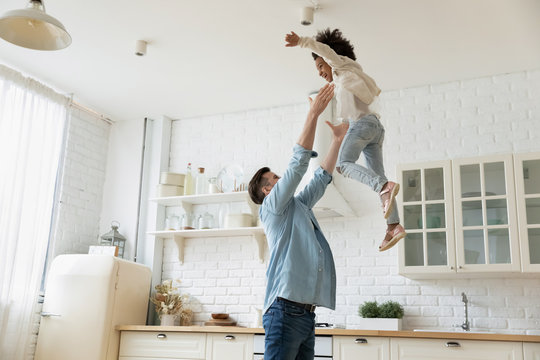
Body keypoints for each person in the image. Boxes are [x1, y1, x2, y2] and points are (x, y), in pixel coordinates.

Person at [248, 83, 347, 360]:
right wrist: (313, 114)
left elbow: (320, 179)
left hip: (305, 315)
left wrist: (337, 140)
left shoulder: (298, 207)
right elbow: (298, 165)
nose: (281, 180)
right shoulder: (272, 207)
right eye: (275, 179)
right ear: (267, 190)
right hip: (284, 311)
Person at [285, 28, 406, 252]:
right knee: (378, 176)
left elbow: (323, 50)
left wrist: (301, 41)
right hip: (374, 128)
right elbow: (355, 111)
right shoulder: (347, 78)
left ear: (331, 59)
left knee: (343, 165)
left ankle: (384, 187)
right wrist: (342, 127)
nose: (320, 72)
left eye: (320, 66)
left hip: (364, 126)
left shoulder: (341, 66)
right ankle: (394, 226)